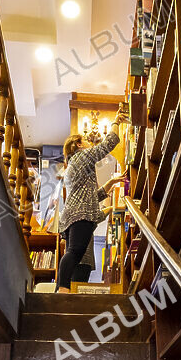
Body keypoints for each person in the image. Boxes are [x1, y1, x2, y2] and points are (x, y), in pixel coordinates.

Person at [56, 116, 127, 293]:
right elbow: (109, 143)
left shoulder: (74, 165)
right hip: (80, 214)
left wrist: (110, 183)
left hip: (74, 213)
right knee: (75, 251)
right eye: (85, 141)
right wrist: (116, 122)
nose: (88, 143)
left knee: (75, 251)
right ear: (78, 145)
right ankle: (62, 288)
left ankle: (61, 288)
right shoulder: (81, 157)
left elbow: (90, 196)